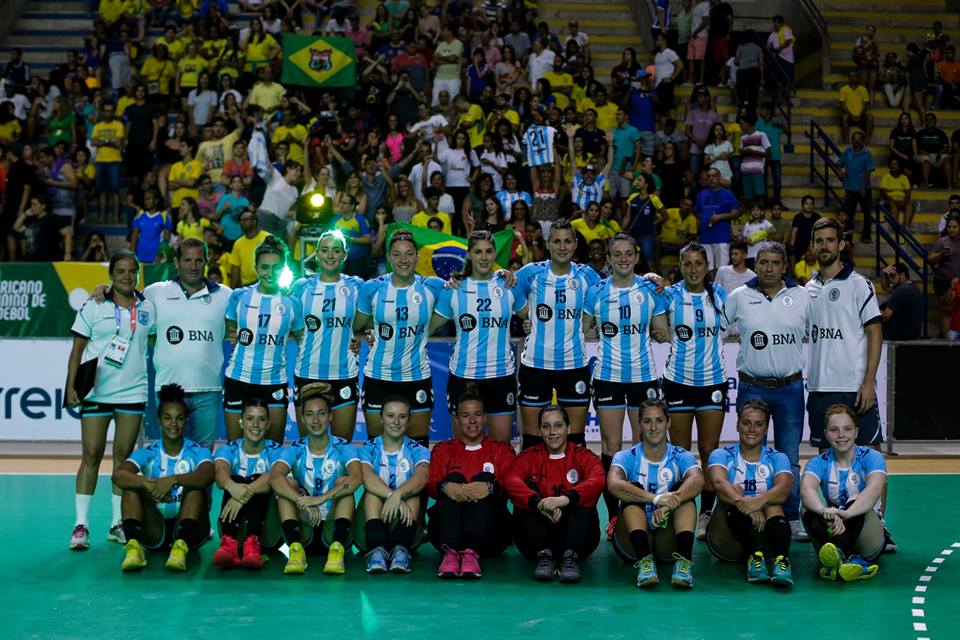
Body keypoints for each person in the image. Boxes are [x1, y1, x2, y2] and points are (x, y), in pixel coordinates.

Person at [93, 237, 232, 449]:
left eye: (198, 260)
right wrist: (104, 290)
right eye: (187, 260)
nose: (193, 266)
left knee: (203, 456)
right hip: (168, 390)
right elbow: (125, 301)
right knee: (170, 454)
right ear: (176, 262)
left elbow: (238, 328)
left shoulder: (226, 295)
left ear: (207, 261)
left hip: (208, 390)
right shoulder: (155, 292)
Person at [65, 251, 156, 550]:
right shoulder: (94, 305)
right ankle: (81, 525)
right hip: (97, 393)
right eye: (121, 271)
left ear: (138, 274)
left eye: (132, 271)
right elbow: (77, 350)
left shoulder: (148, 307)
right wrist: (70, 387)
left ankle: (117, 523)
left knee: (123, 459)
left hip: (133, 392)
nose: (127, 277)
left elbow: (153, 341)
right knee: (91, 456)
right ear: (111, 275)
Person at [722, 241, 811, 541]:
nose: (769, 268)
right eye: (763, 262)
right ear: (755, 265)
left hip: (790, 388)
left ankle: (791, 517)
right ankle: (746, 512)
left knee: (789, 458)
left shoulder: (803, 296)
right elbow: (715, 326)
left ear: (784, 266)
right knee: (748, 454)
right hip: (751, 387)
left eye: (775, 262)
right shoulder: (738, 296)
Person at [583, 234, 667, 537]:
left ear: (636, 257)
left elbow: (662, 331)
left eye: (628, 253)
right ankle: (615, 515)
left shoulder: (650, 288)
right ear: (608, 258)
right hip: (608, 376)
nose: (623, 259)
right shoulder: (596, 291)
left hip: (643, 376)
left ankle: (644, 508)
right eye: (616, 254)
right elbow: (582, 329)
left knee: (643, 444)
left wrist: (659, 333)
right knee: (611, 446)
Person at [657, 242, 728, 540]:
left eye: (699, 263)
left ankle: (706, 513)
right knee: (681, 452)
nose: (693, 269)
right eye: (687, 263)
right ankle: (681, 506)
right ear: (680, 266)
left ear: (707, 266)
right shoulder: (670, 294)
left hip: (713, 382)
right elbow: (656, 323)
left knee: (709, 451)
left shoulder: (720, 294)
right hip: (678, 382)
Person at [513, 220, 601, 448]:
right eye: (557, 241)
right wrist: (528, 314)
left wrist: (650, 277)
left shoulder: (587, 276)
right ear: (548, 244)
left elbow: (612, 289)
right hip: (535, 365)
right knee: (532, 441)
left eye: (567, 241)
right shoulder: (532, 273)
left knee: (575, 440)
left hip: (574, 365)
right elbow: (509, 286)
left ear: (575, 244)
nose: (562, 247)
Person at [355, 230, 445, 445]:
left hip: (416, 376)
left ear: (418, 256)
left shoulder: (433, 286)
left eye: (409, 254)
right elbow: (357, 324)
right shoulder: (372, 288)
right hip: (378, 376)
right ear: (388, 256)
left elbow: (465, 288)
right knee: (377, 445)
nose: (403, 260)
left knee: (418, 444)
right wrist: (372, 330)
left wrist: (502, 274)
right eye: (396, 254)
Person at [434, 230, 524, 442]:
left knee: (501, 449)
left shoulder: (509, 285)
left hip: (500, 376)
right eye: (478, 252)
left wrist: (529, 323)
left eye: (489, 251)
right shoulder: (454, 288)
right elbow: (426, 328)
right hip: (463, 376)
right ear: (469, 254)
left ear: (495, 253)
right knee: (463, 450)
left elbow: (535, 318)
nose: (484, 257)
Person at [113, 384, 215, 572]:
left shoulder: (197, 451)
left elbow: (208, 475)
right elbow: (118, 475)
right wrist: (146, 484)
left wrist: (173, 480)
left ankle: (180, 550)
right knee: (131, 488)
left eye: (179, 418)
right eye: (168, 418)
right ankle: (134, 549)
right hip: (155, 529)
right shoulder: (148, 453)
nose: (173, 424)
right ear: (159, 420)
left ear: (186, 420)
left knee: (195, 489)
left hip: (192, 530)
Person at [607, 400, 703, 589]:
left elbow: (698, 480)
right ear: (639, 424)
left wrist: (670, 503)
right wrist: (656, 499)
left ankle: (684, 562)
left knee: (684, 494)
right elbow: (613, 484)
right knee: (631, 492)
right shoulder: (626, 456)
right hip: (631, 543)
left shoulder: (681, 455)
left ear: (668, 422)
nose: (653, 427)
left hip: (667, 539)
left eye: (659, 420)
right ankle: (644, 563)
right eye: (647, 421)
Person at [806, 217, 883, 451]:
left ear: (840, 245)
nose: (824, 246)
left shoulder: (859, 284)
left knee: (871, 458)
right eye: (819, 241)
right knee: (826, 459)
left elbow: (875, 332)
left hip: (854, 387)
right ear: (812, 246)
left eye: (830, 240)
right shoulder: (808, 289)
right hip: (819, 388)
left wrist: (868, 382)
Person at [504, 405, 605, 583]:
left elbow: (598, 480)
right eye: (546, 426)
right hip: (533, 543)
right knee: (525, 493)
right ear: (539, 430)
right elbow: (511, 480)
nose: (552, 432)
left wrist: (566, 499)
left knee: (583, 495)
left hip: (580, 541)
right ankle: (544, 556)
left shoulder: (584, 456)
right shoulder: (528, 457)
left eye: (558, 425)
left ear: (569, 428)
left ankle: (570, 557)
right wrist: (538, 503)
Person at [270, 383, 362, 575]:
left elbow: (356, 477)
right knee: (287, 484)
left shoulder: (343, 447)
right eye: (310, 414)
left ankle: (337, 552)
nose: (316, 420)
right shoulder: (295, 448)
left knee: (344, 484)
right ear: (302, 418)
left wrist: (321, 499)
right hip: (305, 527)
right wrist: (301, 501)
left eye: (321, 413)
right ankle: (295, 551)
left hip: (334, 525)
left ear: (330, 416)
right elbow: (275, 477)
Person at [427, 386, 517, 579]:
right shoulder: (443, 450)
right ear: (457, 419)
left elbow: (513, 483)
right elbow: (430, 483)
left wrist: (489, 487)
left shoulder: (501, 451)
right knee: (452, 480)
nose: (472, 421)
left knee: (485, 479)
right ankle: (451, 553)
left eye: (477, 414)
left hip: (491, 537)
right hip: (445, 533)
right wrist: (446, 487)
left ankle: (471, 552)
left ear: (485, 418)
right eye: (466, 415)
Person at [223, 236, 305, 442]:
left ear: (284, 268)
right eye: (264, 267)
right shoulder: (239, 296)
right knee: (235, 448)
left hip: (274, 381)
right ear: (256, 268)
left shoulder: (292, 303)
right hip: (239, 378)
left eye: (276, 268)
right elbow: (230, 330)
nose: (270, 273)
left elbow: (302, 338)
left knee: (274, 450)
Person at [706, 400, 794, 586]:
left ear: (766, 429)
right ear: (737, 425)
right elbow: (718, 484)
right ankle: (754, 556)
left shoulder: (777, 457)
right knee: (734, 490)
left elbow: (785, 489)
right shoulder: (722, 455)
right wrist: (744, 504)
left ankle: (781, 560)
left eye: (758, 424)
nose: (752, 429)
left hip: (767, 542)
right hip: (726, 541)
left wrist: (758, 502)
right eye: (746, 423)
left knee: (773, 501)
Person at [801, 404, 888, 582]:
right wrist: (824, 511)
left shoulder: (872, 456)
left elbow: (874, 490)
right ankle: (847, 559)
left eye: (847, 429)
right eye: (834, 430)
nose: (841, 435)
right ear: (826, 433)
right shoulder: (818, 462)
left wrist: (846, 514)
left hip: (867, 537)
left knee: (856, 499)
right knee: (806, 509)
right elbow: (806, 489)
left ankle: (840, 555)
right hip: (834, 528)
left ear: (856, 431)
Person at [291, 231, 365, 440]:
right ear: (316, 254)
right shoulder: (301, 287)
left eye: (336, 250)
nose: (330, 255)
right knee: (308, 446)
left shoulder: (357, 287)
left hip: (344, 374)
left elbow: (372, 319)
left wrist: (365, 335)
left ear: (344, 255)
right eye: (325, 250)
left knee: (342, 445)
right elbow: (289, 324)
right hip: (308, 372)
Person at [357, 395, 431, 574]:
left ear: (409, 420)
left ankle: (401, 550)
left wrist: (398, 495)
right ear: (381, 418)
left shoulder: (418, 450)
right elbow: (367, 477)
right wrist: (392, 495)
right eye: (390, 416)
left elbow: (422, 478)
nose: (396, 422)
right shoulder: (368, 449)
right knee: (372, 493)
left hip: (407, 527)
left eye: (402, 416)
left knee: (413, 494)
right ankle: (376, 550)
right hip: (370, 527)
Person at [211, 397, 284, 569]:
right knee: (235, 479)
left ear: (268, 424)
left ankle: (253, 544)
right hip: (233, 527)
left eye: (261, 419)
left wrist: (243, 494)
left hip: (268, 534)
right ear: (241, 422)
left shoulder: (278, 451)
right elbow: (220, 474)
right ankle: (229, 545)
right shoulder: (228, 449)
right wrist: (232, 486)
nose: (256, 424)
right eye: (250, 418)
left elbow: (276, 476)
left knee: (261, 479)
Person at [694, 168, 739, 270]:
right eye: (709, 176)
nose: (711, 178)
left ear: (719, 178)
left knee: (722, 269)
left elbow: (735, 213)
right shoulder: (702, 194)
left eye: (714, 176)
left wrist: (720, 217)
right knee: (706, 269)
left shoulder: (728, 194)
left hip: (721, 237)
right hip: (704, 237)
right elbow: (697, 211)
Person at [837, 132, 876, 242]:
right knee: (849, 216)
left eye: (859, 139)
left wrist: (863, 186)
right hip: (850, 188)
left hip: (864, 189)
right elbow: (838, 164)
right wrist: (839, 172)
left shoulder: (867, 154)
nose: (856, 141)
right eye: (854, 139)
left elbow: (868, 171)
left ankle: (866, 236)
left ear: (862, 140)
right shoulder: (847, 152)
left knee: (867, 214)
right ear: (852, 140)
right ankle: (848, 238)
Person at [229, 208, 273, 287]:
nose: (242, 222)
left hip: (265, 281)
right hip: (246, 286)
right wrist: (233, 288)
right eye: (241, 220)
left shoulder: (267, 238)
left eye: (245, 220)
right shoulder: (238, 243)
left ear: (254, 222)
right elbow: (235, 267)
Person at [839, 71, 874, 145]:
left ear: (858, 78)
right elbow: (842, 105)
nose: (853, 78)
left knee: (870, 117)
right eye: (851, 76)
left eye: (855, 76)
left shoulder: (863, 89)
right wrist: (852, 116)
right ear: (848, 78)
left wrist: (860, 116)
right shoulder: (843, 89)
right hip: (849, 116)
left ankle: (867, 140)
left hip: (861, 116)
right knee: (844, 117)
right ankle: (847, 141)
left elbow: (866, 105)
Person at [879, 157, 914, 227]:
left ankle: (905, 228)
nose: (895, 166)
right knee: (893, 204)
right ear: (890, 166)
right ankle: (894, 227)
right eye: (893, 164)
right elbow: (883, 192)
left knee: (910, 205)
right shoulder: (886, 177)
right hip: (889, 200)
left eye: (896, 164)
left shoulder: (904, 178)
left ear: (899, 167)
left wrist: (903, 201)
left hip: (901, 200)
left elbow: (908, 193)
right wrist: (892, 200)